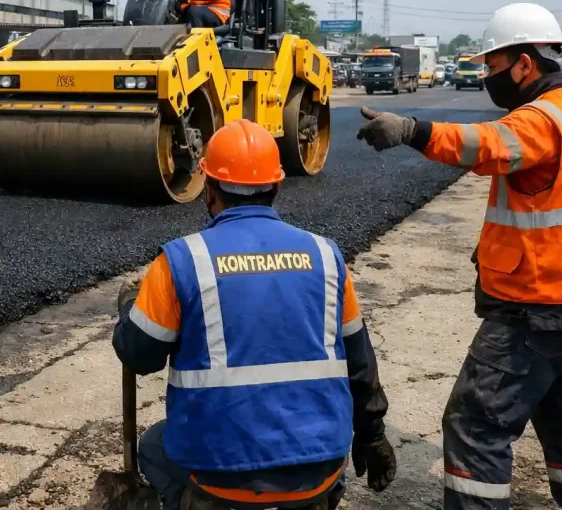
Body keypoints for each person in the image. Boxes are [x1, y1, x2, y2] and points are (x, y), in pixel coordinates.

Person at [355, 2, 562, 510]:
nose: (487, 76)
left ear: (525, 63)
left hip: (541, 303)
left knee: (476, 424)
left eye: (493, 66)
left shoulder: (541, 119)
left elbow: (488, 146)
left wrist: (413, 131)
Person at [112, 119, 396, 510]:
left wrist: (130, 308)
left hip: (219, 476)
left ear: (208, 189)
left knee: (153, 446)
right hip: (316, 472)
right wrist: (372, 434)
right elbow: (360, 362)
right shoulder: (326, 256)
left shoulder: (182, 260)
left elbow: (139, 355)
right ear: (277, 186)